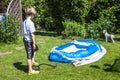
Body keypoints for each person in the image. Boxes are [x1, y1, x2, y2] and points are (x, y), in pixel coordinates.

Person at [22, 6, 39, 75]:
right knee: (29, 55)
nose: (33, 16)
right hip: (29, 41)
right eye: (33, 15)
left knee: (32, 52)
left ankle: (31, 65)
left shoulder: (24, 21)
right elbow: (32, 35)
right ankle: (30, 71)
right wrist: (34, 43)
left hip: (25, 39)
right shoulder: (30, 23)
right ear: (31, 14)